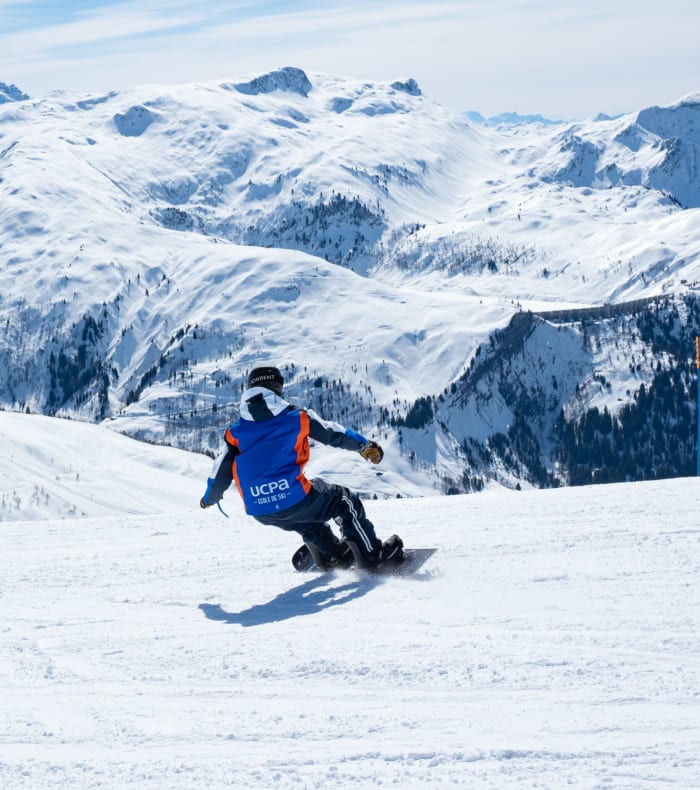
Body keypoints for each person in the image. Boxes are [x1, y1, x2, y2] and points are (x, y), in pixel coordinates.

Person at [199, 365, 403, 570]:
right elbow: (333, 434)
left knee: (308, 519)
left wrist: (210, 498)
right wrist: (364, 446)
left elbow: (220, 471)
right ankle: (374, 556)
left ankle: (333, 554)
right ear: (277, 388)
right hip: (293, 499)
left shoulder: (234, 432)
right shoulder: (296, 417)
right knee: (344, 501)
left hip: (260, 510)